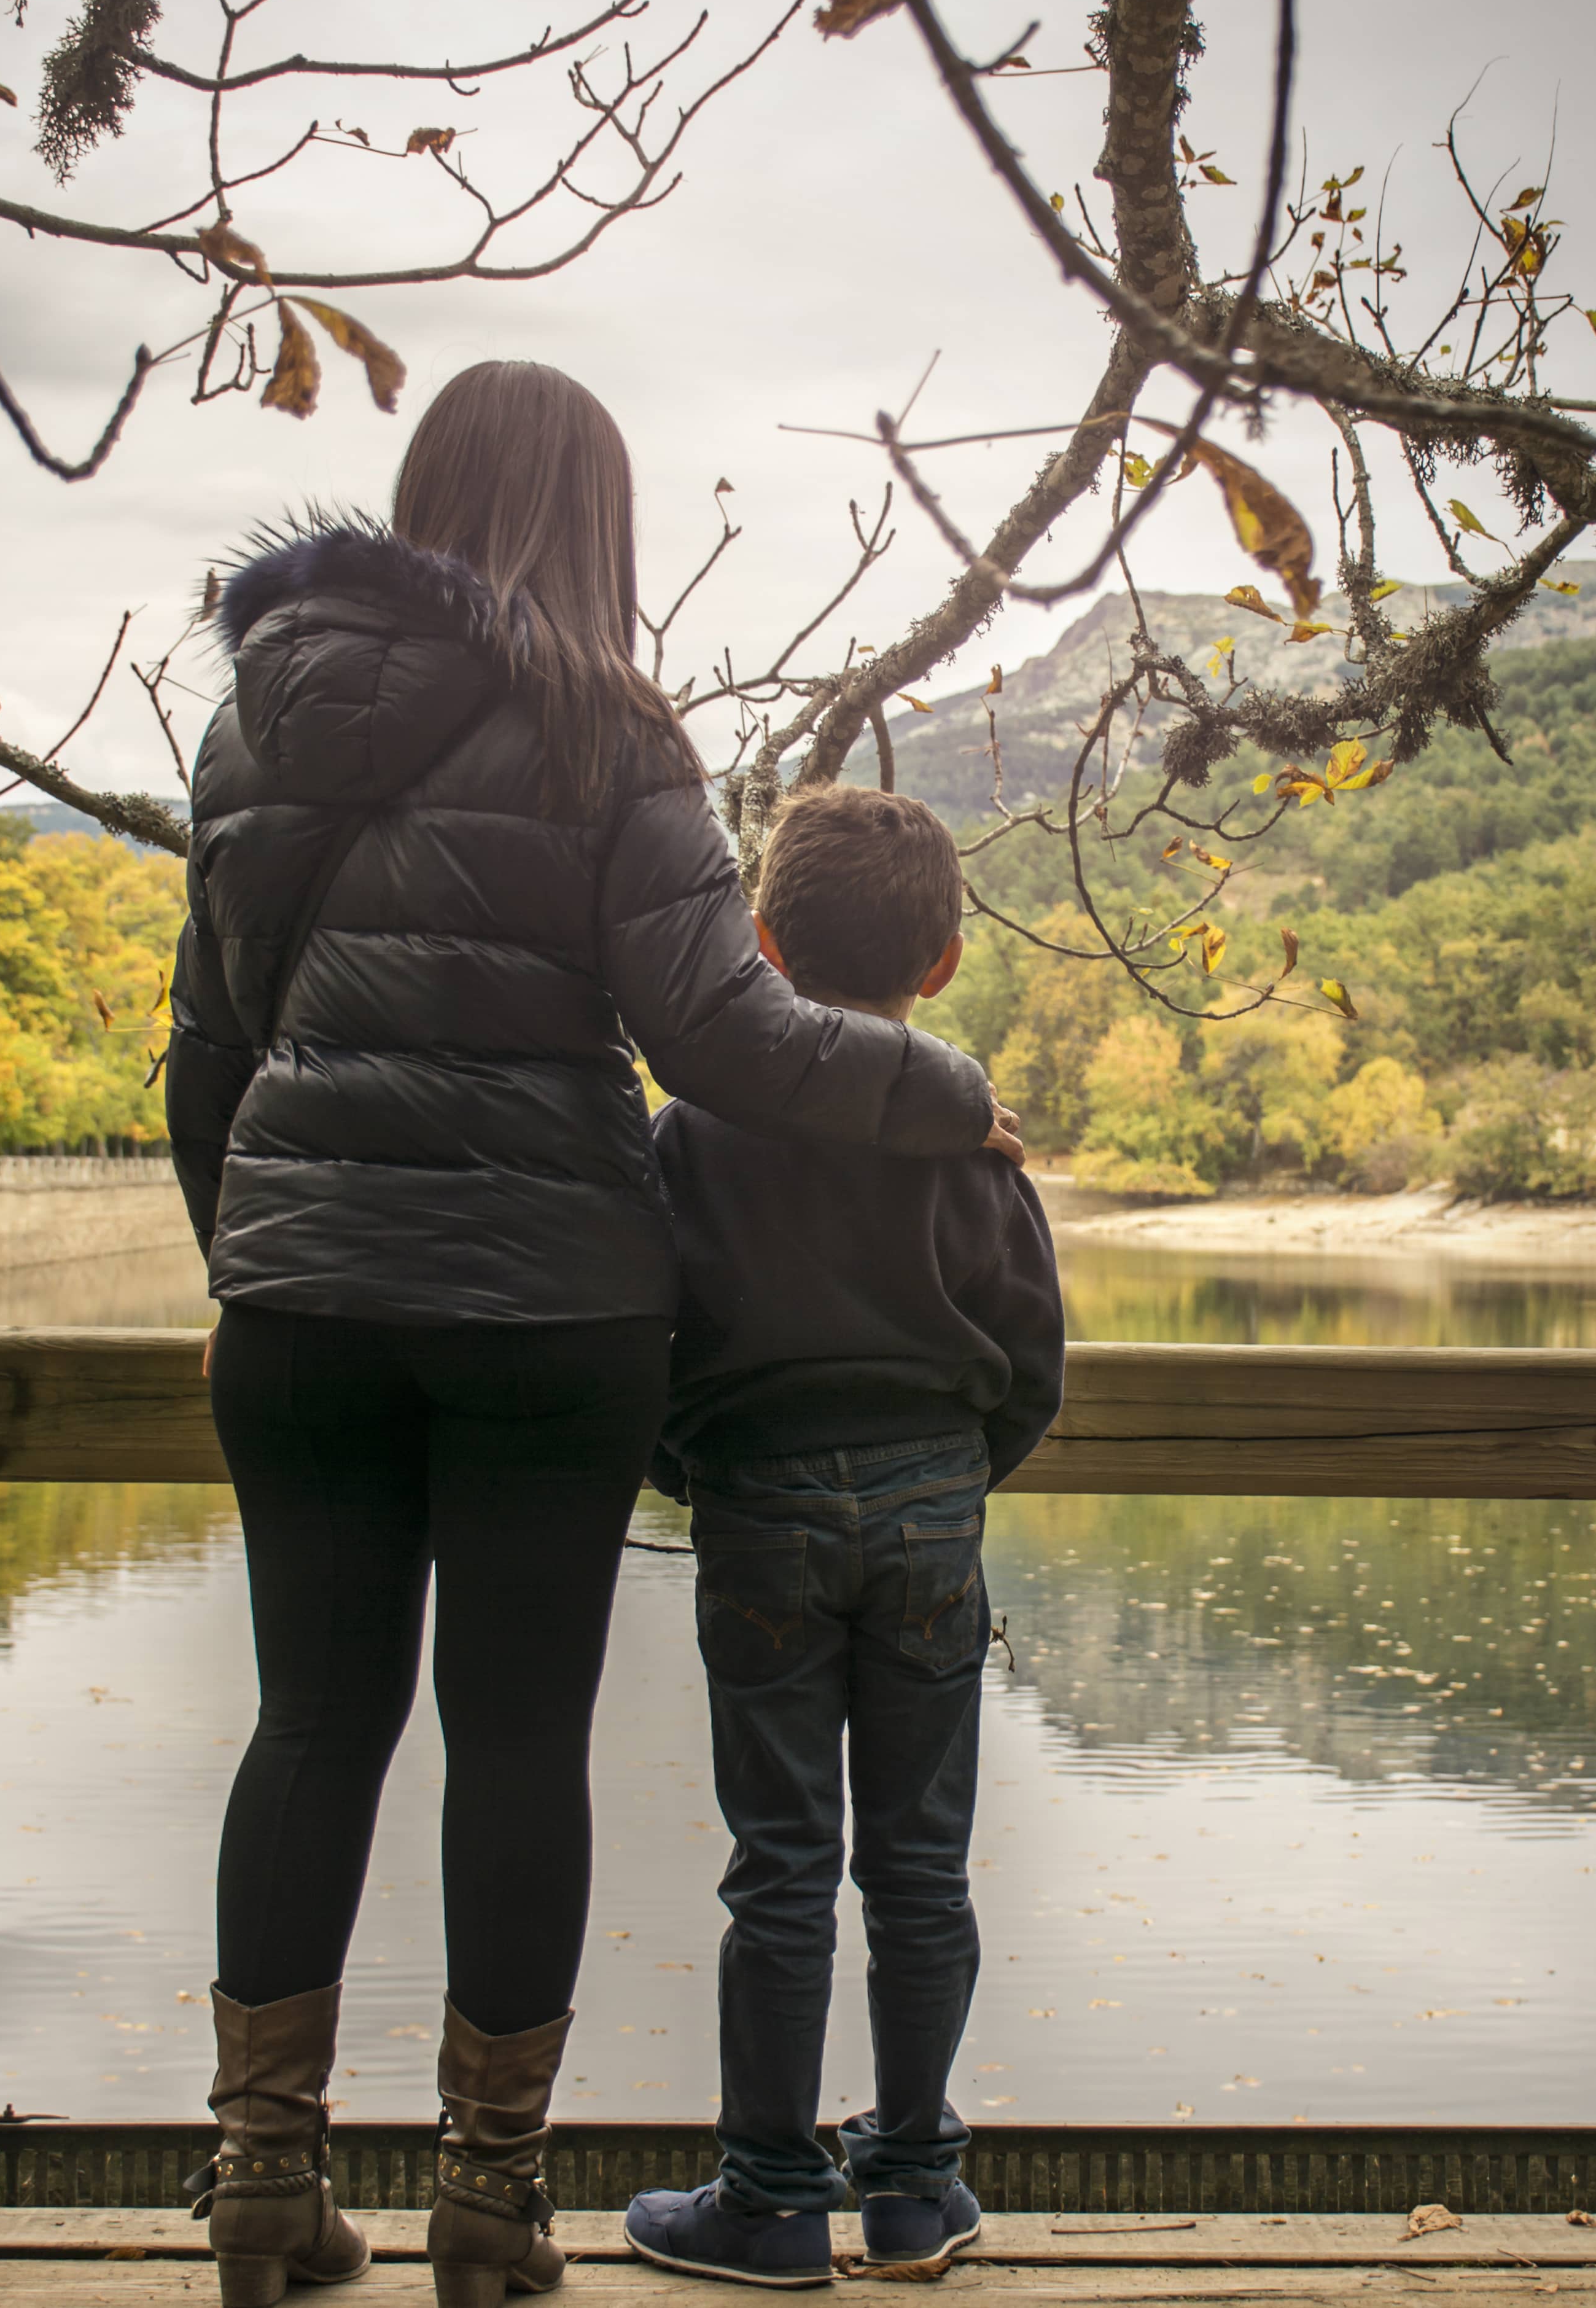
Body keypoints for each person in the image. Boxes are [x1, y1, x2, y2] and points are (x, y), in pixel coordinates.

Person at [163, 367, 1022, 2308]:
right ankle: (489, 2198)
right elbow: (723, 1035)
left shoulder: (250, 721)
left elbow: (212, 1042)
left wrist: (262, 1256)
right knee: (518, 1733)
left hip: (298, 1303)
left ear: (417, 492)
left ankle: (260, 2184)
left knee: (310, 1723)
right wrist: (946, 1091)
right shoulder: (609, 729)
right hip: (551, 1306)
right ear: (597, 524)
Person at [621, 787, 1064, 2288]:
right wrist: (949, 1473)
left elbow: (648, 1347)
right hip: (934, 1506)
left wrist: (709, 1463)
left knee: (783, 1863)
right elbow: (1030, 1355)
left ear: (758, 943)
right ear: (939, 960)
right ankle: (914, 2189)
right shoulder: (969, 1130)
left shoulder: (692, 1133)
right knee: (923, 1867)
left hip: (759, 1502)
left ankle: (765, 2198)